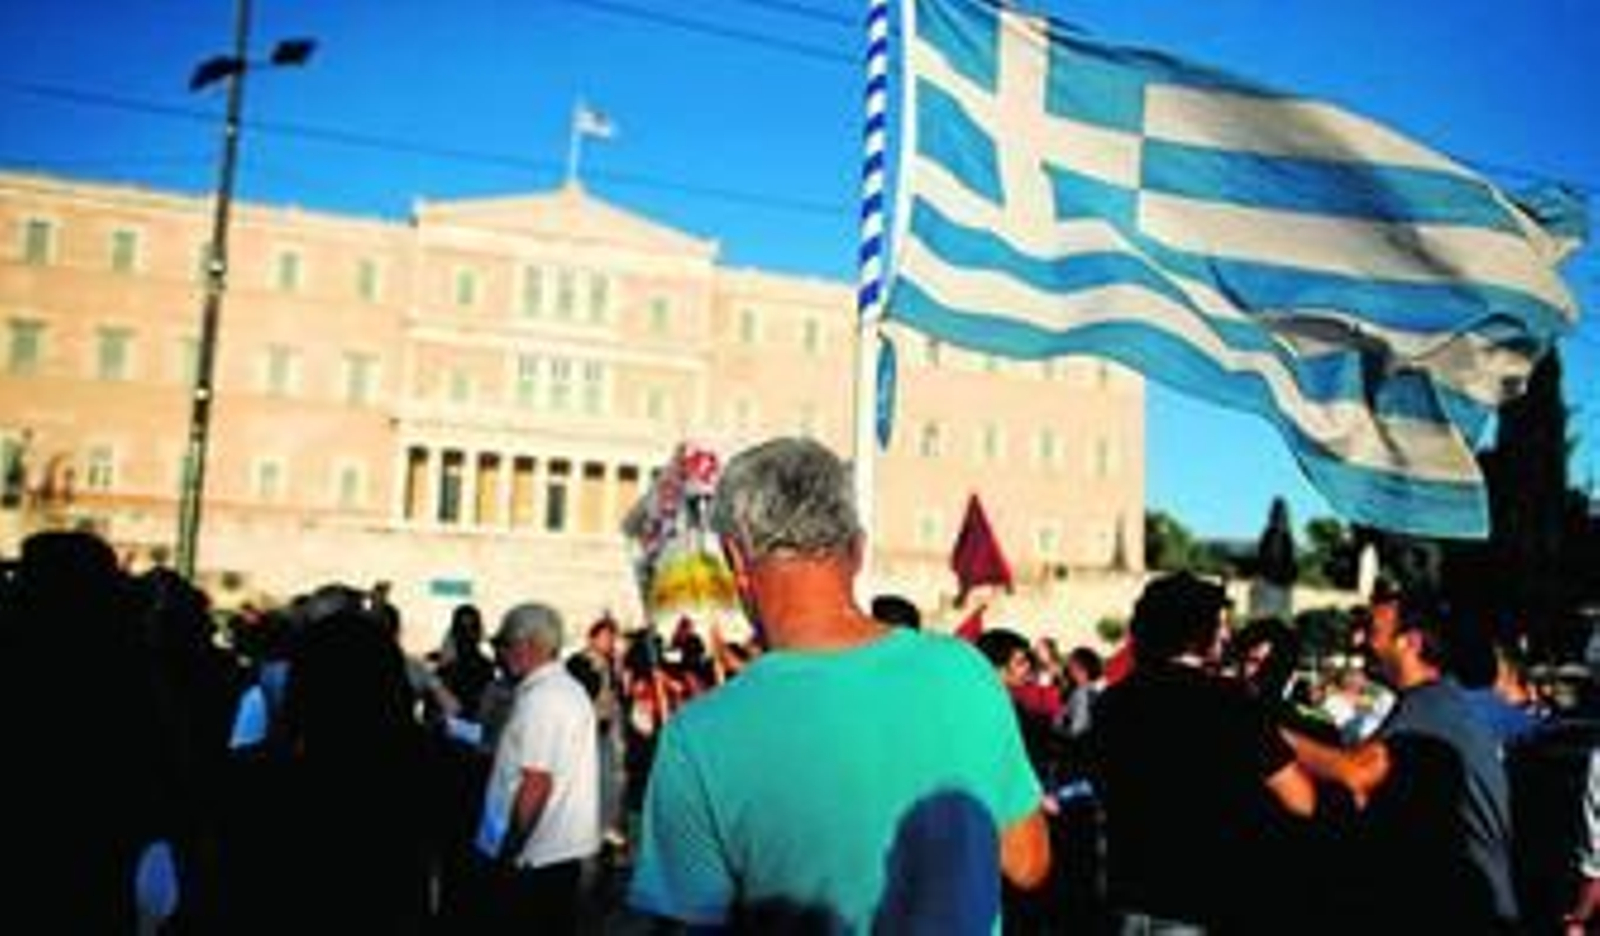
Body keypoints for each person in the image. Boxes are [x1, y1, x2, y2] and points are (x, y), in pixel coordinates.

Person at [628, 437, 1050, 930]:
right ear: (858, 549)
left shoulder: (696, 737)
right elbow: (1028, 864)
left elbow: (685, 923)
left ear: (735, 560)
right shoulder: (965, 672)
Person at [1092, 571, 1317, 932]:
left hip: (1125, 897)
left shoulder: (1110, 702)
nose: (1226, 635)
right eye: (1220, 625)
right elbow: (1300, 799)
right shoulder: (1229, 702)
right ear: (1202, 632)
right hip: (1198, 902)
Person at [1287, 593, 1519, 931]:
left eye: (1372, 630)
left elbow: (1356, 773)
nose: (1359, 640)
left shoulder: (1431, 704)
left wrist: (1264, 733)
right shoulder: (1431, 702)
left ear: (1410, 642)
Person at [475, 602, 600, 934]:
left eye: (503, 644)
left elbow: (536, 783)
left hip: (535, 859)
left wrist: (509, 853)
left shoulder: (543, 698)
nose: (500, 654)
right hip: (551, 856)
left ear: (527, 644)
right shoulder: (562, 690)